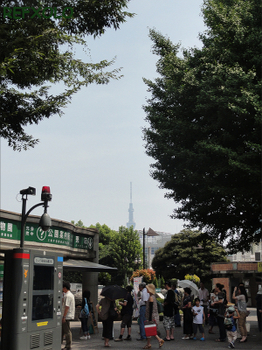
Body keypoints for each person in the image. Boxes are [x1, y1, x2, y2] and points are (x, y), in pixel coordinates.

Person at [143, 283, 164, 349]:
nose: (146, 290)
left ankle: (159, 340)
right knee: (150, 330)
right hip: (154, 316)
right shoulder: (153, 297)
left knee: (150, 329)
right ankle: (148, 344)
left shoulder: (151, 298)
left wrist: (149, 318)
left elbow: (151, 309)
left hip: (152, 316)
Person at [62, 281, 75, 350]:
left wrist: (64, 316)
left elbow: (67, 307)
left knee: (67, 331)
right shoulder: (70, 295)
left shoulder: (67, 295)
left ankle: (68, 345)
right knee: (64, 330)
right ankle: (66, 344)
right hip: (68, 315)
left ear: (64, 288)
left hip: (66, 316)